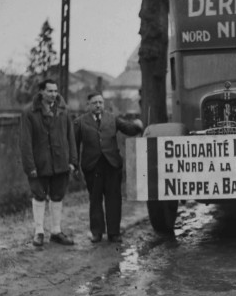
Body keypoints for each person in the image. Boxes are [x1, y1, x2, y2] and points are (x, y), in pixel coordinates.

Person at [74, 92, 144, 243]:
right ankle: (97, 233)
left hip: (112, 165)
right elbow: (74, 144)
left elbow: (128, 129)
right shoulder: (80, 122)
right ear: (88, 105)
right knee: (95, 199)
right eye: (94, 103)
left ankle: (114, 233)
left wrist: (138, 125)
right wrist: (74, 164)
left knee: (114, 199)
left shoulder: (112, 118)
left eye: (100, 102)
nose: (98, 105)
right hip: (92, 167)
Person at [19, 79, 78, 247]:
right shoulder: (29, 113)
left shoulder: (64, 111)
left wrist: (73, 161)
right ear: (41, 92)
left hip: (61, 162)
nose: (54, 94)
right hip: (40, 164)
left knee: (57, 196)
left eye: (55, 91)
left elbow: (71, 137)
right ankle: (39, 232)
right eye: (50, 91)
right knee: (39, 195)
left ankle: (56, 231)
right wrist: (30, 167)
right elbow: (25, 142)